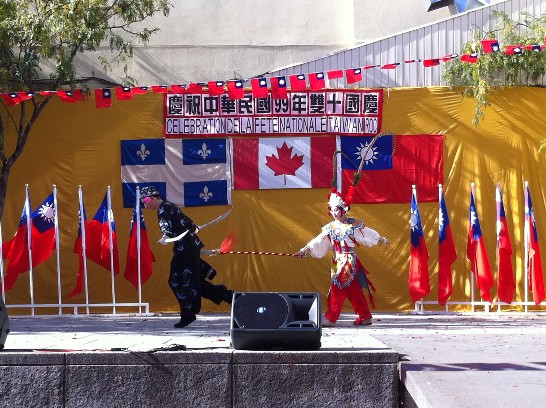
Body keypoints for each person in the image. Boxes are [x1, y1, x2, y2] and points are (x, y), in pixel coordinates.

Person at [139, 186, 234, 328]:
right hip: (189, 247)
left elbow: (168, 228)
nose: (145, 205)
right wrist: (193, 228)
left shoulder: (164, 209)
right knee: (195, 280)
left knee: (177, 280)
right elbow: (189, 224)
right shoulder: (170, 206)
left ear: (151, 198)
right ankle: (227, 296)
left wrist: (165, 237)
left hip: (186, 248)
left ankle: (188, 313)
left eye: (145, 201)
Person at [293, 190, 389, 327]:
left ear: (343, 210)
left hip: (349, 260)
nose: (333, 212)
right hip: (337, 260)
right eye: (331, 210)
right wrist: (304, 250)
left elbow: (367, 234)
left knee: (338, 286)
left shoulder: (353, 224)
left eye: (336, 210)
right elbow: (319, 241)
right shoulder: (330, 228)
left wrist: (380, 239)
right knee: (352, 289)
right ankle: (365, 316)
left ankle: (331, 318)